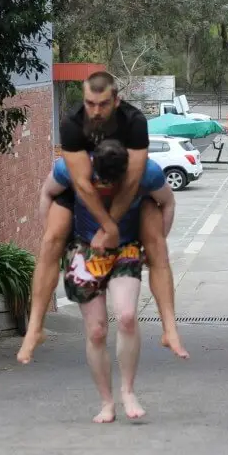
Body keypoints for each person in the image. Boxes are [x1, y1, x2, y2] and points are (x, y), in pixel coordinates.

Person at [17, 71, 188, 364]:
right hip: (82, 189)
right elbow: (79, 185)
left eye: (103, 104)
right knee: (50, 240)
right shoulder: (73, 123)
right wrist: (66, 238)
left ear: (116, 101)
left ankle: (169, 328)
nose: (95, 111)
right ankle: (35, 328)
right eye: (89, 103)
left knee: (157, 242)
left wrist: (150, 243)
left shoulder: (134, 123)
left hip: (129, 186)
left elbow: (135, 182)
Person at [55, 139, 175, 422]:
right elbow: (47, 195)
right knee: (96, 330)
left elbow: (167, 202)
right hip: (85, 248)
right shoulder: (69, 168)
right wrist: (54, 241)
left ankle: (128, 391)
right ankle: (106, 402)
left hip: (125, 247)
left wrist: (153, 246)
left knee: (127, 317)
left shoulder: (147, 172)